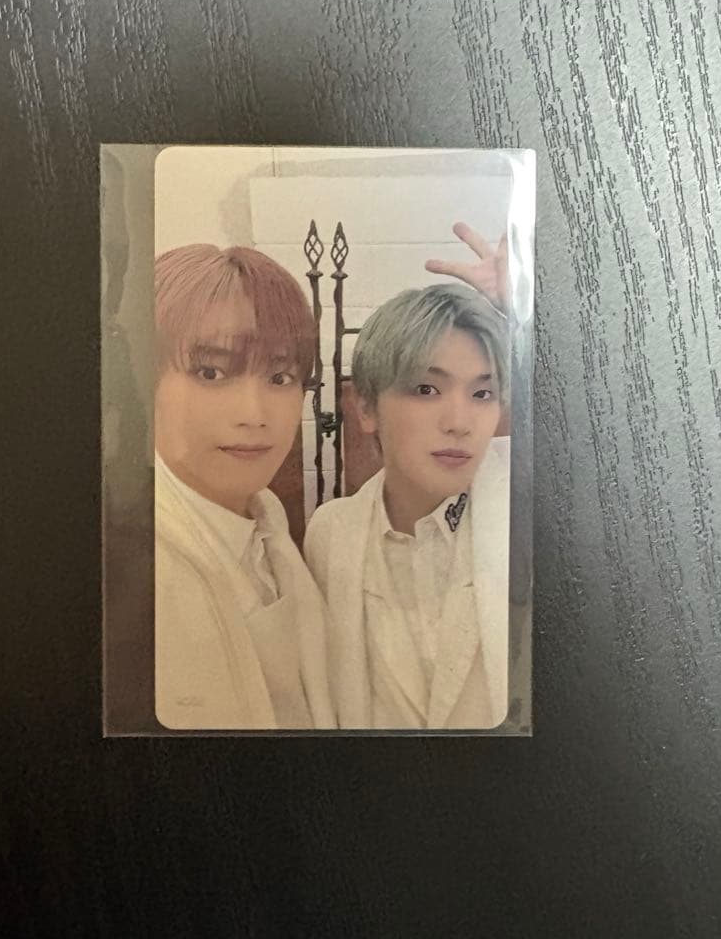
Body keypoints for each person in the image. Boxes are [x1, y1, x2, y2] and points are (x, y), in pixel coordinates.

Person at [304, 224, 510, 729]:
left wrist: (529, 314)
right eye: (426, 389)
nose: (460, 422)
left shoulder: (529, 507)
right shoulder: (331, 534)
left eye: (482, 393)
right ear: (366, 407)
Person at [154, 244, 335, 730]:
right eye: (211, 373)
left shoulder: (267, 525)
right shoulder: (131, 567)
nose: (254, 415)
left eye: (280, 376)